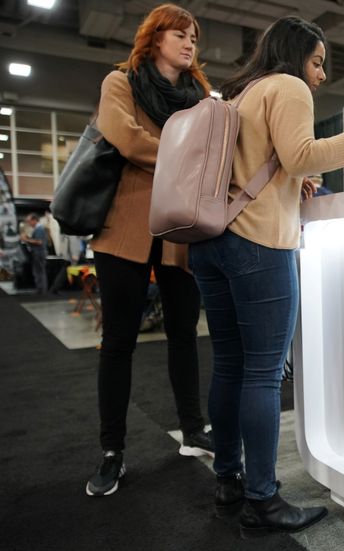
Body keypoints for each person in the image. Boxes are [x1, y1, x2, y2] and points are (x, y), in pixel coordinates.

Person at [188, 15, 344, 537]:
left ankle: (229, 480)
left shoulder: (243, 92)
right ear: (295, 57)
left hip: (211, 242)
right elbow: (300, 155)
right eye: (317, 62)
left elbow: (268, 166)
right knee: (263, 373)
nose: (322, 75)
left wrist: (292, 184)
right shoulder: (287, 86)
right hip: (258, 243)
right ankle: (264, 500)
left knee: (231, 366)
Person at [85, 3, 213, 497]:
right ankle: (112, 451)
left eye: (194, 38)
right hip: (125, 227)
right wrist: (188, 156)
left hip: (181, 228)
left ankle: (192, 429)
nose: (188, 44)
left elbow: (216, 150)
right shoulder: (120, 82)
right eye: (179, 34)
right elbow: (125, 140)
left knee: (185, 332)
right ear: (155, 37)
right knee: (119, 340)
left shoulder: (199, 94)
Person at [20, 213, 47, 294]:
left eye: (29, 221)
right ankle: (41, 288)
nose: (28, 223)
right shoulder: (38, 228)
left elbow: (39, 242)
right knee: (39, 271)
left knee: (39, 271)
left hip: (39, 253)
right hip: (38, 253)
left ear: (34, 220)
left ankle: (41, 289)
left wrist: (26, 239)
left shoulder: (39, 229)